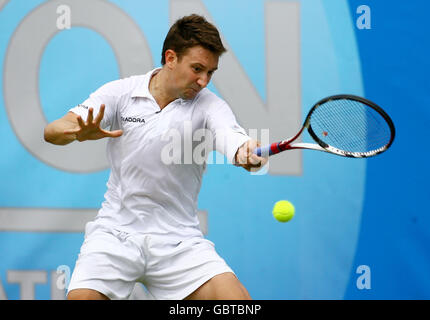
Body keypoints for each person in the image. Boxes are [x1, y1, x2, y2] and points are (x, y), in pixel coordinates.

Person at [44, 14, 267, 300]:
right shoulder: (121, 92)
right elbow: (53, 131)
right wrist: (75, 132)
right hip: (115, 233)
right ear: (170, 57)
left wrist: (246, 152)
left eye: (211, 72)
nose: (203, 81)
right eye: (197, 68)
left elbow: (232, 139)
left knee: (237, 303)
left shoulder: (211, 106)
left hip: (179, 241)